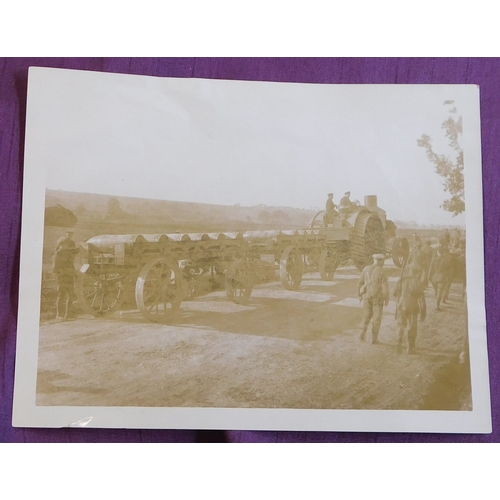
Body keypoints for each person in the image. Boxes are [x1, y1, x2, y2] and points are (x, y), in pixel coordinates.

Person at [394, 262, 427, 354]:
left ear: (409, 270)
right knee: (412, 327)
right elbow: (422, 300)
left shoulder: (402, 280)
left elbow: (394, 293)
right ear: (418, 273)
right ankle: (410, 348)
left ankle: (398, 343)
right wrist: (423, 313)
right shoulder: (419, 283)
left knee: (400, 325)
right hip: (413, 307)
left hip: (401, 305)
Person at [358, 253, 389, 344]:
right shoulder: (382, 271)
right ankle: (374, 339)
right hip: (377, 298)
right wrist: (386, 298)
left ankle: (362, 334)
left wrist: (359, 295)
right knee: (377, 318)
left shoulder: (366, 269)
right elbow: (385, 287)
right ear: (381, 261)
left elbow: (360, 283)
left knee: (366, 316)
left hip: (367, 296)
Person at [53, 229, 79, 320]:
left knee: (71, 295)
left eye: (67, 245)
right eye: (65, 244)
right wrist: (61, 275)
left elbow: (71, 264)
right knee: (61, 295)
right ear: (61, 245)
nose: (67, 246)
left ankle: (68, 314)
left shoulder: (69, 253)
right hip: (62, 278)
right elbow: (55, 269)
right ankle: (59, 314)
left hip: (69, 277)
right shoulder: (58, 254)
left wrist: (74, 274)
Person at [429, 245, 454, 310]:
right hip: (442, 278)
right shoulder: (446, 261)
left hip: (434, 278)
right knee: (440, 292)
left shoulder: (434, 260)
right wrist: (449, 278)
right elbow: (449, 271)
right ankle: (437, 305)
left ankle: (437, 302)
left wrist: (429, 277)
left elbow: (430, 269)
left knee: (436, 291)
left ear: (438, 253)